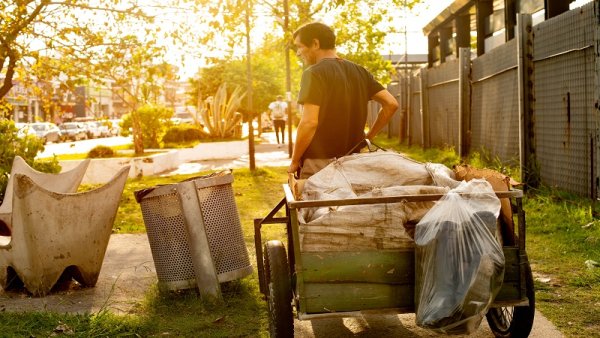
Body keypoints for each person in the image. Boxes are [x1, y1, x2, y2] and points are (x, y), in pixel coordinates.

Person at [288, 22, 399, 179]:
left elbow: (309, 123)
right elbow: (391, 104)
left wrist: (294, 161)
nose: (298, 53)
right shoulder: (360, 72)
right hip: (353, 160)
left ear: (315, 43)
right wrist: (368, 137)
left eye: (300, 47)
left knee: (318, 204)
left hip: (319, 163)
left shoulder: (313, 73)